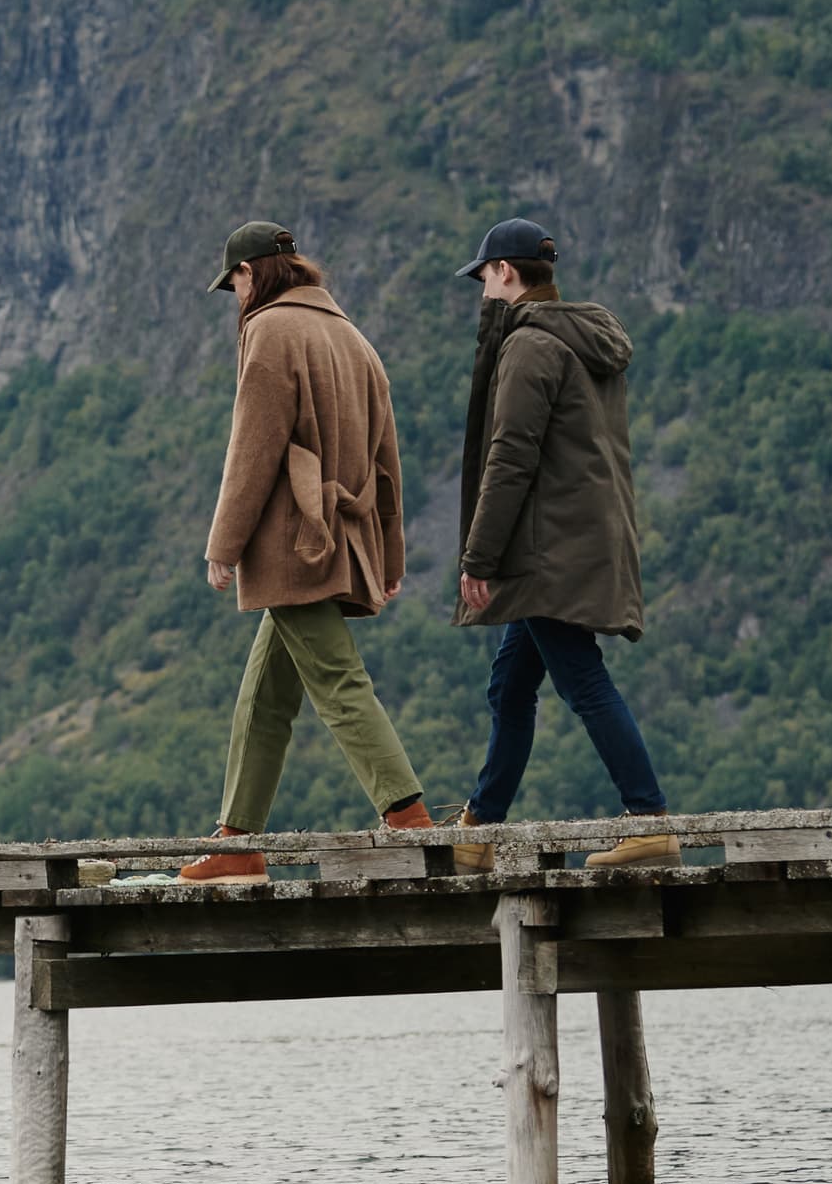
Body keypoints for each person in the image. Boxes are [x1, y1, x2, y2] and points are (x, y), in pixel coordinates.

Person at [183, 220, 433, 883]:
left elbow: (254, 449)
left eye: (233, 282)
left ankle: (410, 820)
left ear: (252, 273)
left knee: (339, 683)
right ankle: (237, 842)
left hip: (293, 543)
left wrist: (224, 545)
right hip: (344, 538)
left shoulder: (268, 331)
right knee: (264, 697)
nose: (234, 295)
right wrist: (390, 554)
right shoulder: (353, 336)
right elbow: (387, 461)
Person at [452, 216, 678, 871]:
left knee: (581, 680)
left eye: (485, 277)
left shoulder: (529, 346)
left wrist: (479, 556)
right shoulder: (583, 337)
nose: (482, 290)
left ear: (508, 273)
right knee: (510, 685)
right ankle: (477, 828)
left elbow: (511, 456)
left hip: (547, 549)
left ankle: (650, 821)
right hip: (577, 538)